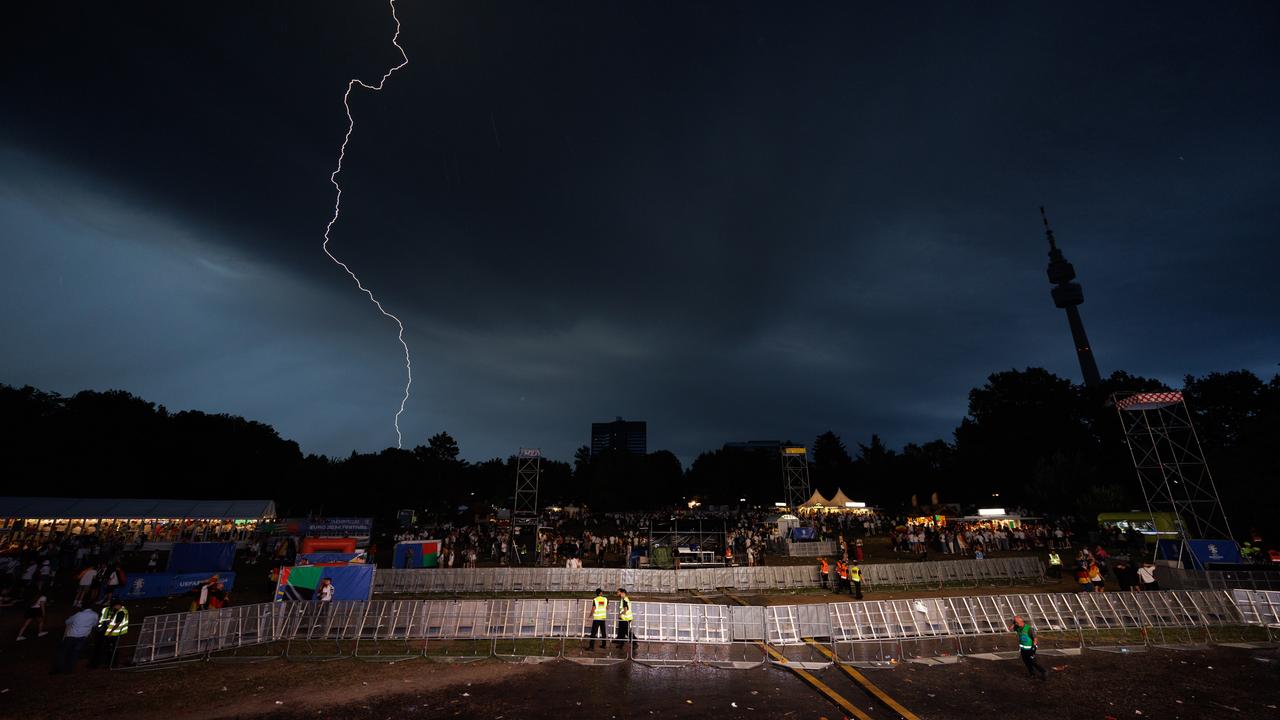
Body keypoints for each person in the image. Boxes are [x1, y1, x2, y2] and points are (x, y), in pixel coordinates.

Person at [52, 606, 99, 674]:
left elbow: (67, 622)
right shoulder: (95, 614)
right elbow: (95, 624)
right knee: (75, 653)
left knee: (62, 652)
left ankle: (58, 669)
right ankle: (69, 669)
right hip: (83, 636)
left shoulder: (78, 614)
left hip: (72, 635)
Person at [90, 600, 130, 669]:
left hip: (114, 634)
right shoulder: (123, 610)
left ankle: (111, 663)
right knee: (112, 648)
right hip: (116, 633)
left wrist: (110, 632)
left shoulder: (120, 612)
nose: (114, 607)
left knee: (111, 649)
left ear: (118, 605)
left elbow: (118, 623)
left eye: (114, 606)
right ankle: (111, 663)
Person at [1011, 615, 1047, 680]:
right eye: (1015, 622)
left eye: (1016, 622)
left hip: (1030, 649)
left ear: (1021, 621)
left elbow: (1035, 639)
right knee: (1026, 662)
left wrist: (1033, 647)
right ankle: (1032, 674)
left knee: (1033, 661)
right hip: (1023, 649)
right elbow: (1010, 628)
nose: (1016, 623)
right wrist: (1014, 623)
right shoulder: (1017, 627)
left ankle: (1043, 672)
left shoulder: (1029, 628)